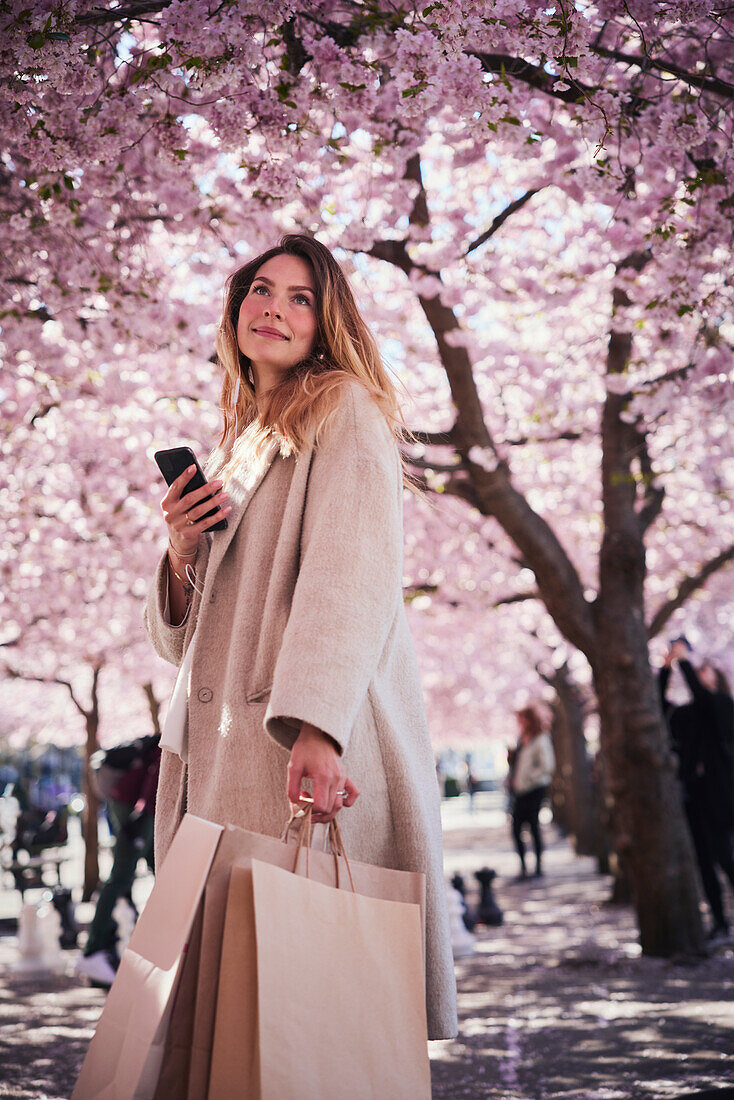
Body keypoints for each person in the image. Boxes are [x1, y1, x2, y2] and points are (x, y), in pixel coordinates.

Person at [143, 234, 458, 1040]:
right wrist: (182, 553)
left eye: (299, 298)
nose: (273, 308)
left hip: (295, 746)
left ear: (325, 325)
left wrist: (317, 727)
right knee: (249, 1023)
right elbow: (189, 644)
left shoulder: (343, 406)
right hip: (223, 755)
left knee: (309, 1025)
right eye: (259, 290)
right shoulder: (243, 438)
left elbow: (348, 573)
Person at [659, 640, 734, 944]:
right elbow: (660, 703)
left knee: (725, 859)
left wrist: (685, 662)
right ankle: (719, 922)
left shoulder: (722, 706)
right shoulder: (688, 714)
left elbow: (703, 699)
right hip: (694, 796)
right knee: (704, 862)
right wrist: (666, 667)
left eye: (706, 670)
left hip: (721, 796)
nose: (700, 674)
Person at [75, 737, 160, 987]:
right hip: (135, 808)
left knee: (160, 869)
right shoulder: (172, 742)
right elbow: (154, 778)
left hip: (131, 804)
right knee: (122, 875)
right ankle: (93, 950)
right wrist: (140, 814)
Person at [507, 706, 555, 879]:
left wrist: (527, 778)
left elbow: (547, 766)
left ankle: (538, 867)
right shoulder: (522, 739)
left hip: (534, 789)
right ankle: (524, 867)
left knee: (533, 826)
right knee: (516, 828)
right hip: (520, 790)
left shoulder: (541, 739)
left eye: (522, 718)